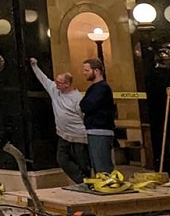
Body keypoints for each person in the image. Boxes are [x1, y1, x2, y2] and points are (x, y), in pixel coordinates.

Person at [29, 57, 90, 190]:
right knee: (62, 159)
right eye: (56, 82)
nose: (56, 85)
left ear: (67, 84)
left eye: (60, 83)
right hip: (63, 134)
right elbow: (43, 79)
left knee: (82, 161)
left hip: (79, 135)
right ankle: (82, 180)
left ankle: (87, 182)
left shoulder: (77, 99)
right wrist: (34, 65)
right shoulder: (55, 91)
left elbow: (83, 116)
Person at [81, 58, 118, 175]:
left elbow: (86, 105)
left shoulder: (102, 88)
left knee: (102, 166)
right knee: (97, 165)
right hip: (94, 129)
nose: (84, 73)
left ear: (96, 71)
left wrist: (84, 104)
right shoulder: (94, 88)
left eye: (87, 70)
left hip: (100, 130)